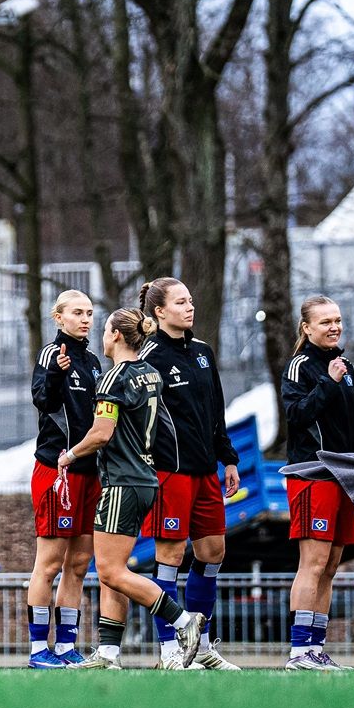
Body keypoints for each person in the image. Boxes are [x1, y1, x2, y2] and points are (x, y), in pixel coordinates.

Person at [63, 308, 203, 670]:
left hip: (122, 481)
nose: (101, 334)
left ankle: (185, 622)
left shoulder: (114, 379)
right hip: (145, 478)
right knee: (116, 570)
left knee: (110, 571)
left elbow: (101, 433)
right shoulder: (151, 373)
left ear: (116, 336)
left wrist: (69, 456)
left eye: (106, 329)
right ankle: (108, 654)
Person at [133, 279, 240, 669]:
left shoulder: (202, 352)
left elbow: (217, 410)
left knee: (213, 552)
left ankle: (204, 647)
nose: (189, 307)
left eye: (191, 300)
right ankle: (170, 650)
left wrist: (228, 458)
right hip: (169, 473)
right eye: (180, 302)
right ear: (159, 311)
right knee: (170, 555)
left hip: (205, 472)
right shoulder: (149, 355)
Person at [280, 295, 354, 670]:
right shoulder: (300, 366)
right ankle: (299, 651)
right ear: (307, 328)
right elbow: (296, 415)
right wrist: (329, 383)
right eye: (325, 322)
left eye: (337, 320)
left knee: (332, 563)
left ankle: (316, 648)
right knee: (313, 563)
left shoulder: (344, 365)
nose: (334, 327)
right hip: (312, 475)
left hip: (342, 478)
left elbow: (351, 425)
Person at [26, 290, 102, 668]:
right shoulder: (52, 355)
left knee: (79, 564)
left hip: (91, 473)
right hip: (59, 472)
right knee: (50, 563)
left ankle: (66, 646)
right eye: (77, 312)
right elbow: (41, 399)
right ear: (58, 317)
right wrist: (56, 372)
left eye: (89, 312)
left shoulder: (93, 361)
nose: (85, 319)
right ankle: (39, 648)